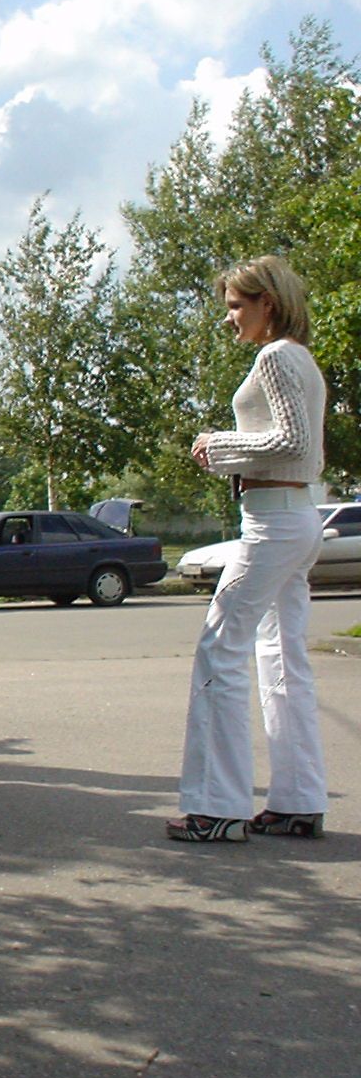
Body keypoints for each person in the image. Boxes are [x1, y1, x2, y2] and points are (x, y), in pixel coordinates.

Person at [169, 255, 329, 843]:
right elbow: (310, 451)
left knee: (221, 650)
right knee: (282, 657)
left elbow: (292, 441)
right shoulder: (302, 359)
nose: (230, 316)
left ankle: (217, 808)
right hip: (295, 517)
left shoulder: (276, 356)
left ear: (268, 302)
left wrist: (218, 445)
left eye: (237, 305)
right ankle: (298, 801)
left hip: (273, 523)